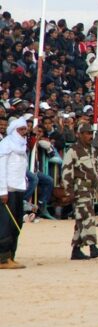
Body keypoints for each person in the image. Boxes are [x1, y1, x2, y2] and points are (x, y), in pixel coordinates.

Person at [61, 124, 98, 260]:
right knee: (88, 216)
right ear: (79, 134)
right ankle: (93, 247)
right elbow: (66, 171)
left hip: (91, 189)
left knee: (81, 220)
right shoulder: (73, 150)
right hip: (80, 189)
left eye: (90, 133)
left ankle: (76, 250)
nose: (89, 136)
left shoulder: (94, 151)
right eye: (86, 133)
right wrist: (69, 191)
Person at [0, 115, 29, 269]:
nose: (23, 132)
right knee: (6, 224)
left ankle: (11, 255)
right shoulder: (5, 145)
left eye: (25, 129)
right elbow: (1, 170)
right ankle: (3, 258)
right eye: (21, 129)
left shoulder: (22, 146)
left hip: (19, 189)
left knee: (17, 224)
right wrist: (2, 191)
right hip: (7, 190)